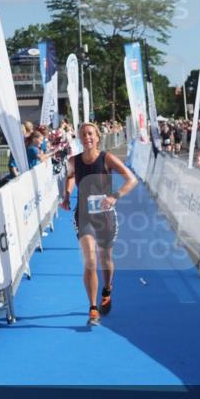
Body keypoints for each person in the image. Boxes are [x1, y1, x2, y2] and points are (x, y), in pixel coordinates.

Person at [61, 123, 138, 326]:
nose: (87, 137)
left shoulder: (107, 158)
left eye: (90, 134)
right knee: (90, 261)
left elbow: (131, 180)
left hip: (105, 216)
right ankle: (93, 308)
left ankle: (107, 289)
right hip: (84, 215)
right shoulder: (73, 161)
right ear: (79, 138)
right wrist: (67, 195)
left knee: (106, 259)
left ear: (97, 137)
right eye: (83, 134)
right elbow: (69, 177)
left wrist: (115, 196)